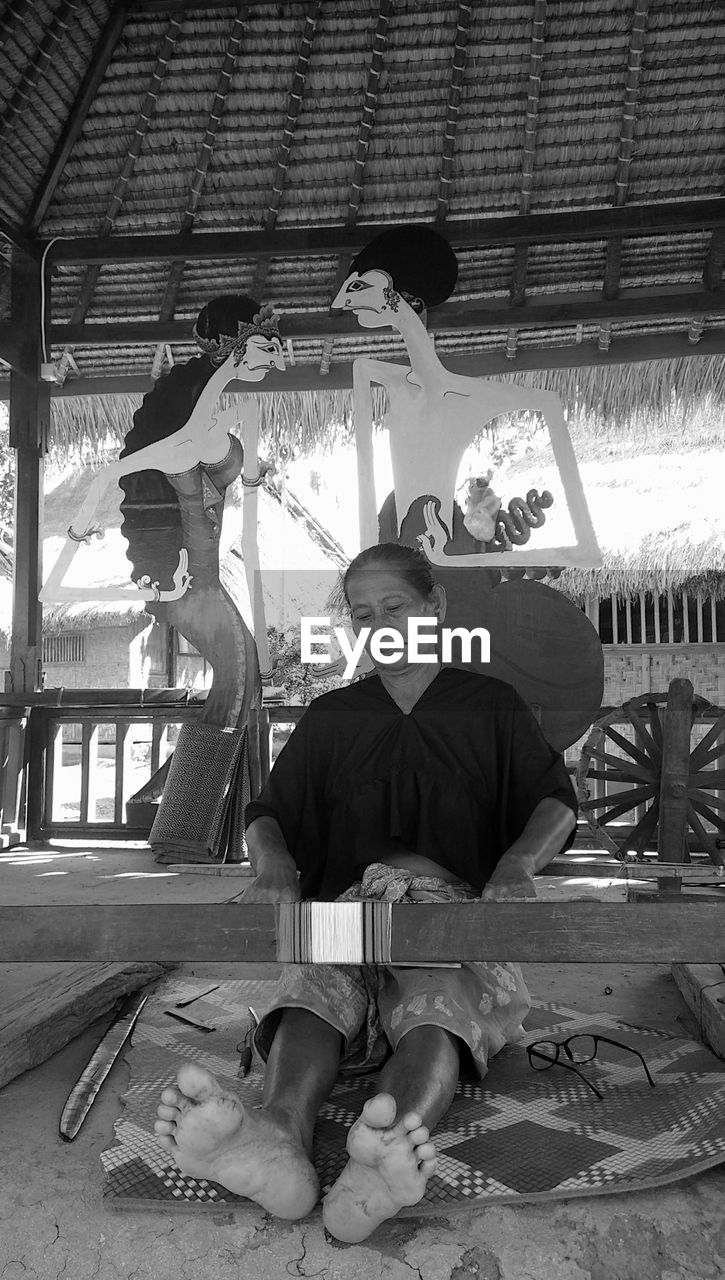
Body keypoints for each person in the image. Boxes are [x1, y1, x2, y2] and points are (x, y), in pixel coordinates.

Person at [154, 542, 577, 1241]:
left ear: (433, 607)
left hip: (451, 911)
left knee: (434, 1012)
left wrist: (516, 867)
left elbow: (553, 802)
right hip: (350, 907)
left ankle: (381, 1152)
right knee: (311, 997)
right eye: (362, 614)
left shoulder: (491, 706)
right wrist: (275, 867)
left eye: (395, 607)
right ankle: (279, 1135)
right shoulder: (333, 717)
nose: (379, 624)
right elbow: (269, 814)